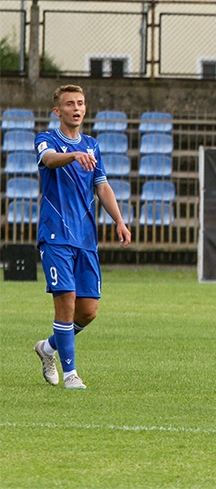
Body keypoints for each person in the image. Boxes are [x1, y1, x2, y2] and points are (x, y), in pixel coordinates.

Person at [32, 84, 132, 390]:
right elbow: (49, 160)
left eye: (80, 103)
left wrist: (119, 220)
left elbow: (102, 186)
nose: (76, 108)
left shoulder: (92, 145)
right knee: (66, 301)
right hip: (56, 234)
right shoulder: (46, 139)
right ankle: (71, 374)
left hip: (85, 237)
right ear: (57, 111)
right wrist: (73, 156)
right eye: (69, 104)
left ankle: (48, 347)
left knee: (88, 311)